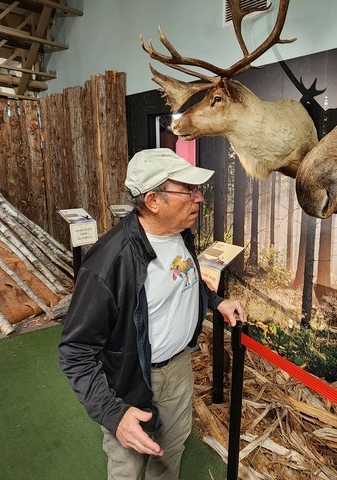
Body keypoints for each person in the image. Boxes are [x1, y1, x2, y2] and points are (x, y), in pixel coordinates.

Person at [59, 148, 246, 480]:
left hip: (179, 368)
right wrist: (112, 414)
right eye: (188, 190)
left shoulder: (179, 234)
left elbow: (185, 282)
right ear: (153, 200)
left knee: (171, 449)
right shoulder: (107, 265)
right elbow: (75, 352)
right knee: (127, 465)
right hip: (130, 379)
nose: (199, 197)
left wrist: (215, 301)